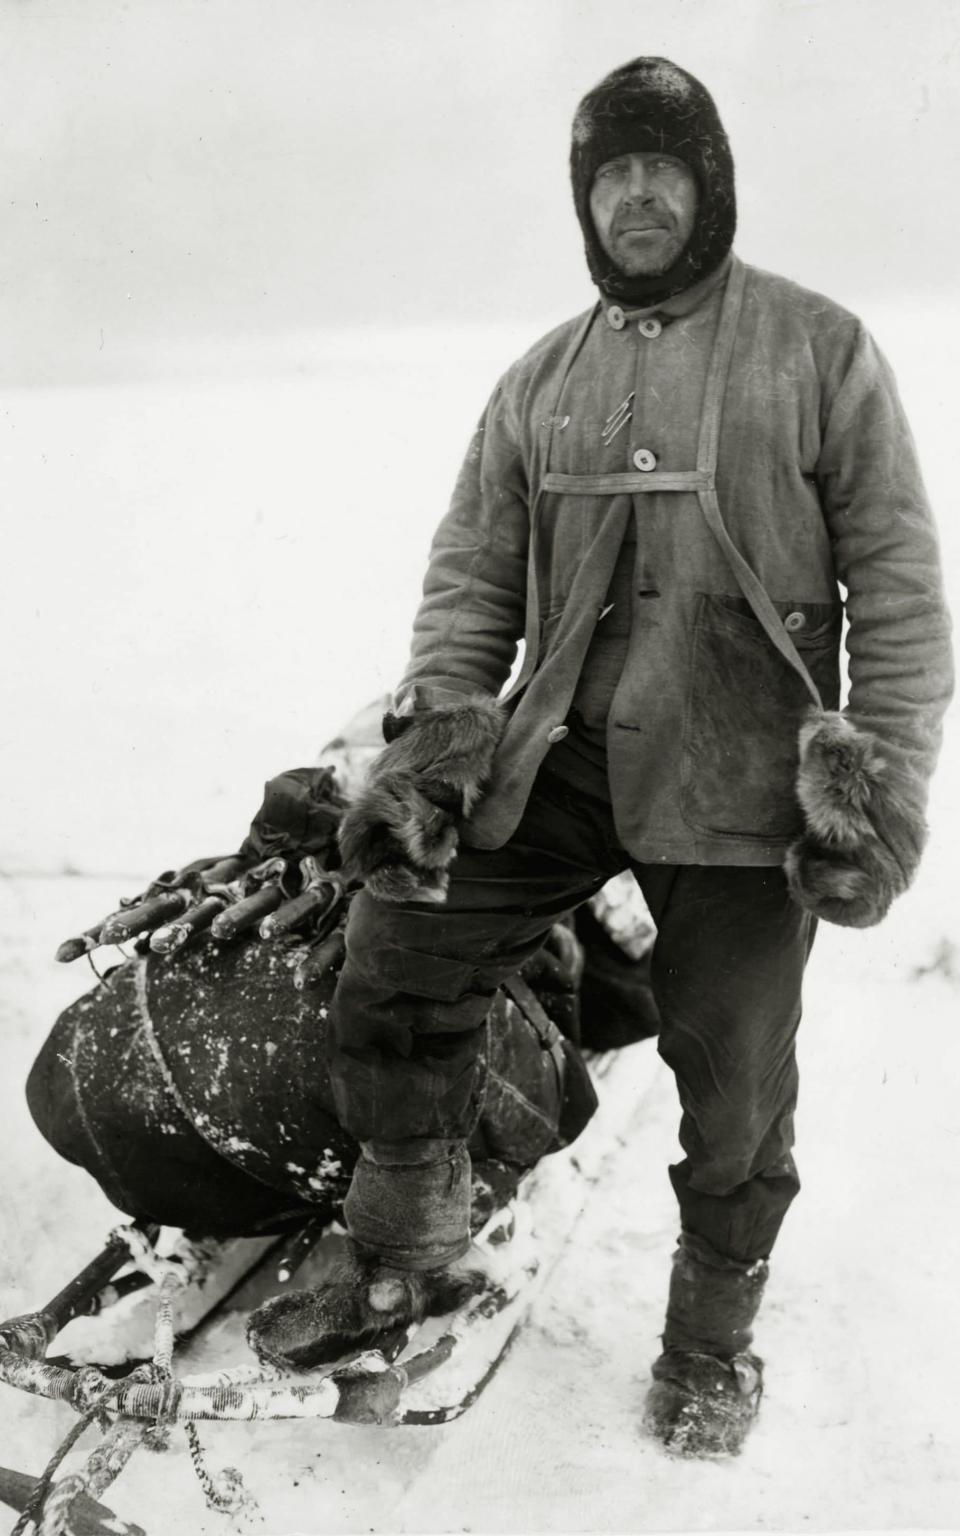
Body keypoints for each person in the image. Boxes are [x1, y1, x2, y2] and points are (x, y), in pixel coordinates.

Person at [248, 58, 954, 1455]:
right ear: (586, 201)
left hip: (742, 781)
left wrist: (877, 781)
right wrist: (445, 743)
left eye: (661, 169)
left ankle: (710, 1342)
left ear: (711, 186)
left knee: (738, 1079)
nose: (637, 196)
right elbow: (470, 582)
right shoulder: (542, 379)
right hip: (564, 755)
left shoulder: (822, 348)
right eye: (611, 174)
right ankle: (405, 1244)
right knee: (398, 944)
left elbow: (902, 583)